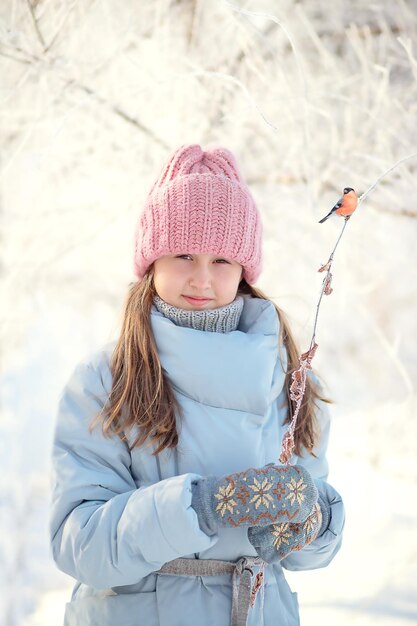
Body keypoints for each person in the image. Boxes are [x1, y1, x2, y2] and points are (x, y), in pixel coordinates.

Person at [50, 143, 345, 626]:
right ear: (151, 261)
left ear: (245, 271)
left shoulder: (289, 380)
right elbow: (78, 542)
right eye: (183, 254)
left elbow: (307, 554)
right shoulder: (107, 380)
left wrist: (311, 521)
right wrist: (198, 508)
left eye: (223, 261)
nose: (201, 279)